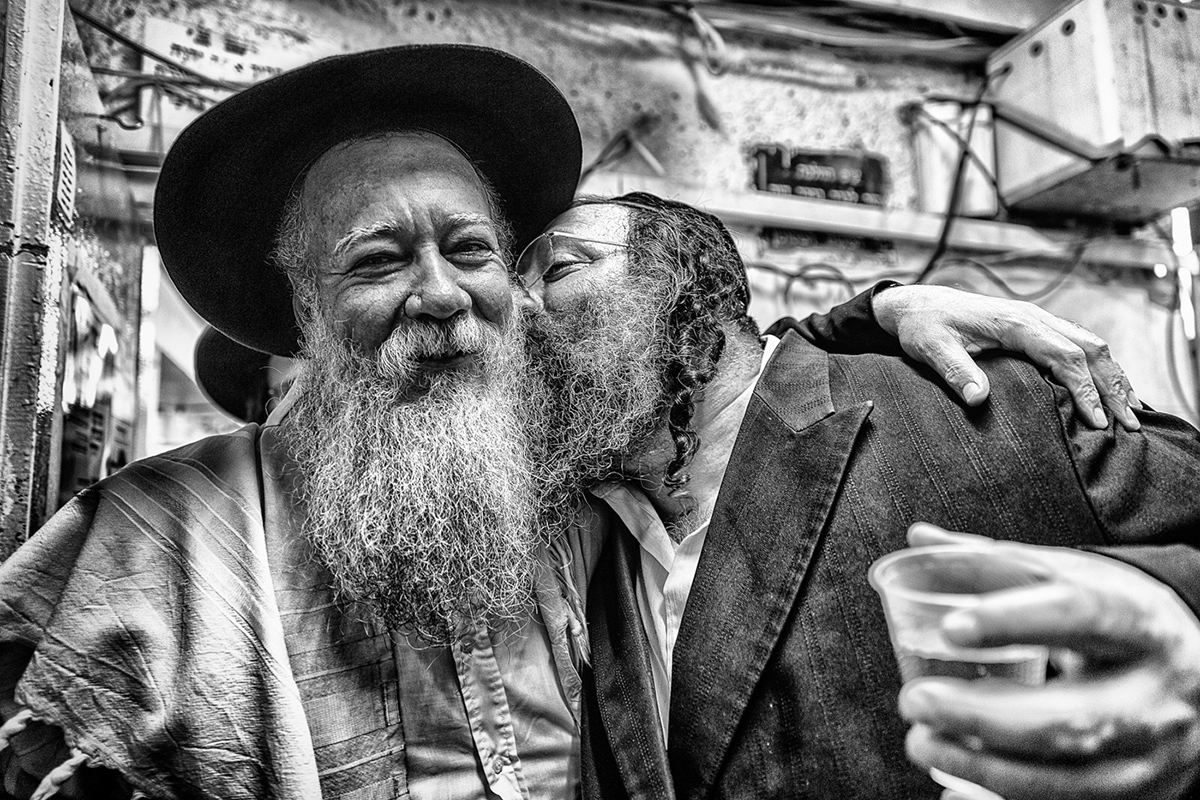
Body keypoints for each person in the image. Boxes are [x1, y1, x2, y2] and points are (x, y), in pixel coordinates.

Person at [0, 45, 1150, 800]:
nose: (445, 295)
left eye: (475, 251)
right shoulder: (162, 529)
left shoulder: (568, 505)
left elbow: (702, 374)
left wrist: (873, 312)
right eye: (378, 260)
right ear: (303, 308)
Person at [523, 193, 1200, 800]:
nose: (521, 309)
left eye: (558, 269)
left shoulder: (990, 409)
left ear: (691, 288)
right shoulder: (578, 532)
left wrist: (1176, 639)